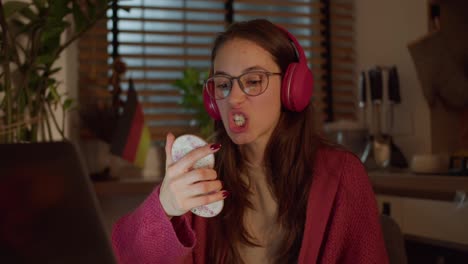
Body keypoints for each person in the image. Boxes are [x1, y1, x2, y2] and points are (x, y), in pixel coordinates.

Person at [111, 19, 389, 264]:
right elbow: (126, 257)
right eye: (223, 84)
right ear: (212, 100)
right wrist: (165, 207)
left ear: (293, 89)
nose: (233, 98)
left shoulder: (342, 175)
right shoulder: (200, 175)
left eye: (254, 81)